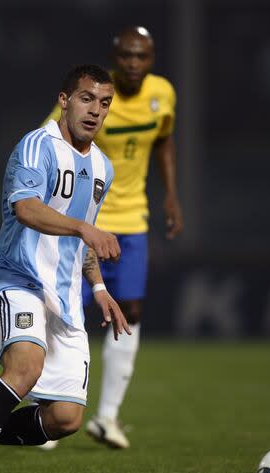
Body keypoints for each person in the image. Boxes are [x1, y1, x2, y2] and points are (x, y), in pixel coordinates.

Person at [0, 64, 130, 473]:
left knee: (65, 419)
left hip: (66, 298)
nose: (95, 110)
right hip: (18, 280)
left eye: (104, 102)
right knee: (24, 369)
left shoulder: (102, 167)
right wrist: (83, 230)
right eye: (86, 99)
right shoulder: (37, 146)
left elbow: (84, 241)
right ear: (64, 100)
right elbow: (26, 208)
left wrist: (98, 288)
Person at [42, 26, 182, 449]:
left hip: (133, 220)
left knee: (132, 310)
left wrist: (172, 195)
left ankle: (106, 417)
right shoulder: (92, 96)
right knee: (64, 310)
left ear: (152, 58)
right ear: (115, 57)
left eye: (142, 56)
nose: (134, 64)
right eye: (127, 56)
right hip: (86, 219)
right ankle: (47, 415)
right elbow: (49, 140)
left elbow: (164, 142)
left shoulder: (163, 94)